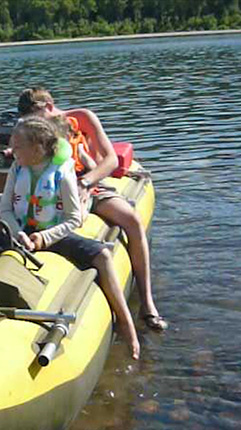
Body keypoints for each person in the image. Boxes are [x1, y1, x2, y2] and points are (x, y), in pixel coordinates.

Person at [16, 87, 168, 331]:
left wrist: (86, 183)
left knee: (132, 220)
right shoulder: (31, 131)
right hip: (53, 192)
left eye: (35, 116)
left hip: (89, 184)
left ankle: (147, 302)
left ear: (48, 106)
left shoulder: (82, 118)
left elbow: (111, 160)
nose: (33, 123)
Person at [1, 115, 140, 359]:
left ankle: (127, 324)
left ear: (37, 148)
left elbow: (74, 219)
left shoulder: (62, 171)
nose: (13, 151)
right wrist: (18, 233)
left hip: (53, 235)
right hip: (20, 233)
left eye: (18, 146)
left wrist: (44, 238)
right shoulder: (17, 168)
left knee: (103, 256)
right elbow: (4, 209)